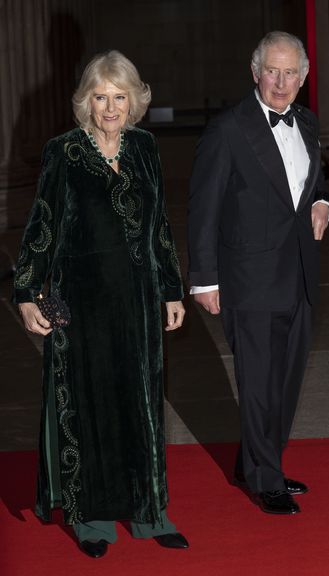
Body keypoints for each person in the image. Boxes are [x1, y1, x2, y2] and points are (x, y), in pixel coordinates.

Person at [14, 50, 188, 557]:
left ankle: (149, 510)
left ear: (134, 100)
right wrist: (28, 293)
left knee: (143, 404)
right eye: (100, 97)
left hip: (137, 300)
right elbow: (43, 225)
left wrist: (171, 289)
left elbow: (158, 226)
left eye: (119, 97)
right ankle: (90, 516)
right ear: (85, 101)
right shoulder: (63, 153)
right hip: (80, 300)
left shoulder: (145, 148)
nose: (110, 107)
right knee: (88, 405)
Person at [188, 31, 329, 515]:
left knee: (287, 380)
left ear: (304, 77)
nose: (281, 81)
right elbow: (202, 207)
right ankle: (265, 477)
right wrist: (205, 279)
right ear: (256, 72)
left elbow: (316, 177)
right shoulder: (228, 128)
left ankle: (255, 460)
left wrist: (324, 202)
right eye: (273, 70)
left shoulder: (307, 123)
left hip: (300, 275)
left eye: (291, 72)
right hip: (249, 277)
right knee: (258, 381)